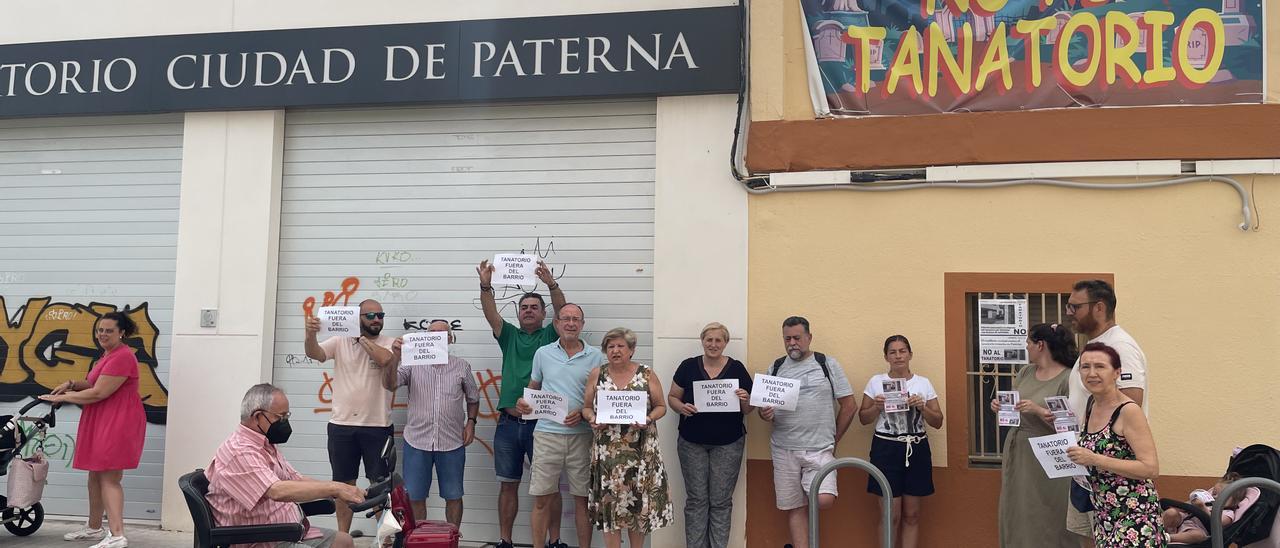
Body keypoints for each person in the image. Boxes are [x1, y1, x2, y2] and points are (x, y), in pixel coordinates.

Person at [478, 258, 569, 548]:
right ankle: (505, 541)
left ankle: (554, 541)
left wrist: (551, 284)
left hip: (543, 424)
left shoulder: (551, 335)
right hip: (508, 425)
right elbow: (491, 313)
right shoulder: (508, 335)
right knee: (508, 484)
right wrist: (485, 285)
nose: (528, 311)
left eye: (534, 307)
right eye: (524, 307)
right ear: (518, 313)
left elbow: (564, 309)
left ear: (544, 315)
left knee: (550, 487)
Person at [205, 384, 365, 548]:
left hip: (287, 532)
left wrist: (344, 490)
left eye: (287, 416)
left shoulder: (265, 445)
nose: (285, 422)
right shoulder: (239, 452)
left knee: (344, 542)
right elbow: (276, 490)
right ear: (258, 416)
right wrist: (334, 489)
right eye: (280, 417)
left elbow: (295, 479)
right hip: (261, 540)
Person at [43, 311, 146, 548]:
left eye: (109, 330)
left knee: (109, 477)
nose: (103, 334)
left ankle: (117, 535)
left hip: (118, 421)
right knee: (95, 475)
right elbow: (93, 384)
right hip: (103, 418)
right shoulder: (108, 355)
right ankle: (93, 527)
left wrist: (64, 397)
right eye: (100, 330)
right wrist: (70, 384)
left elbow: (100, 392)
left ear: (122, 332)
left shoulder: (122, 357)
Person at [1064, 280, 1149, 547]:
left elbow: (1130, 404)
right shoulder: (1095, 346)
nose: (1069, 313)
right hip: (1088, 469)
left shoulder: (1120, 346)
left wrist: (1093, 452)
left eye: (1075, 307)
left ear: (1099, 308)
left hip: (1113, 480)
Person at [760, 316, 857, 548]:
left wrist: (835, 439)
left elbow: (850, 405)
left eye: (797, 338)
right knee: (795, 507)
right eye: (787, 338)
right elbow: (762, 409)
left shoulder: (826, 364)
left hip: (820, 449)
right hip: (784, 449)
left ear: (809, 338)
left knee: (823, 499)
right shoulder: (775, 367)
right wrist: (764, 414)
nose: (792, 343)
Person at [514, 303, 604, 548]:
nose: (571, 323)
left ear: (582, 325)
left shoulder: (596, 356)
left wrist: (586, 414)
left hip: (582, 436)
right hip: (546, 434)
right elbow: (534, 388)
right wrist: (523, 402)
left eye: (576, 319)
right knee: (542, 500)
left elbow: (602, 398)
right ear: (556, 323)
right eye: (566, 319)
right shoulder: (543, 353)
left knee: (582, 500)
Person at [303, 299, 396, 534]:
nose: (377, 320)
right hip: (342, 425)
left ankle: (384, 538)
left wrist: (360, 338)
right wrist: (310, 334)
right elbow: (315, 353)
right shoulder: (340, 341)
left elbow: (385, 360)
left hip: (377, 426)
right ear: (357, 318)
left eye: (380, 315)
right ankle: (343, 537)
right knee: (344, 485)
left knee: (380, 485)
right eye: (370, 315)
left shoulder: (390, 343)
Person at [582, 327, 674, 548]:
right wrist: (592, 418)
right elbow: (585, 408)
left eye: (620, 346)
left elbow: (661, 406)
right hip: (608, 453)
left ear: (631, 350)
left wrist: (649, 418)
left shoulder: (646, 373)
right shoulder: (598, 374)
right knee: (610, 505)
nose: (615, 350)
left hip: (641, 451)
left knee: (637, 505)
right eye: (610, 346)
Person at [383, 320, 479, 526]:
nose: (436, 336)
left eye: (441, 334)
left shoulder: (462, 366)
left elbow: (473, 397)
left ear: (450, 339)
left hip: (452, 441)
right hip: (417, 441)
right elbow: (389, 384)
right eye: (432, 333)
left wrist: (471, 422)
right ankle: (420, 540)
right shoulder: (411, 364)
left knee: (453, 495)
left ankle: (453, 538)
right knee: (416, 496)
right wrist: (395, 357)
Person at [1066, 343, 1163, 548]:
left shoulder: (1128, 411)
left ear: (1116, 372)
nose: (1092, 373)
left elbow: (1150, 468)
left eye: (1100, 366)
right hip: (1103, 513)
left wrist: (1094, 459)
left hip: (1134, 516)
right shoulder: (1092, 403)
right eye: (1085, 367)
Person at [992, 323, 1078, 548]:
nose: (1026, 347)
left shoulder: (1068, 378)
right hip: (1019, 450)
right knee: (1017, 509)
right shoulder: (1025, 372)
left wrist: (1038, 410)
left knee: (1049, 513)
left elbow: (1070, 427)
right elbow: (1013, 408)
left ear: (1041, 345)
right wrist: (1001, 407)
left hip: (1050, 455)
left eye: (1029, 342)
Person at [668, 322, 753, 548]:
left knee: (721, 501)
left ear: (725, 343)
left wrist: (745, 398)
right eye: (709, 340)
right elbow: (672, 397)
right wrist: (680, 407)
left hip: (728, 442)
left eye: (718, 340)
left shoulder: (737, 369)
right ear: (702, 341)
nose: (713, 344)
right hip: (691, 442)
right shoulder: (687, 366)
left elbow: (748, 410)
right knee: (696, 500)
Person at [857, 335, 943, 548]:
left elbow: (938, 421)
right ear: (886, 356)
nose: (898, 356)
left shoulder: (923, 383)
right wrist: (876, 407)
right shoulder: (876, 382)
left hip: (917, 447)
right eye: (893, 352)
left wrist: (923, 407)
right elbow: (863, 418)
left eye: (902, 351)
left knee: (912, 515)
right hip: (886, 448)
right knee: (890, 515)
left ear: (910, 354)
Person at [1161, 471, 1262, 545]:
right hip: (1180, 522)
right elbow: (1184, 508)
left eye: (1221, 495)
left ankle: (1166, 538)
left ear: (1235, 501)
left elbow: (1218, 522)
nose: (1215, 497)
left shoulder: (1228, 513)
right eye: (1214, 493)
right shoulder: (1207, 502)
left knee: (1198, 536)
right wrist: (1185, 506)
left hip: (1195, 530)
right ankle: (1155, 530)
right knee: (1171, 512)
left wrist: (1202, 508)